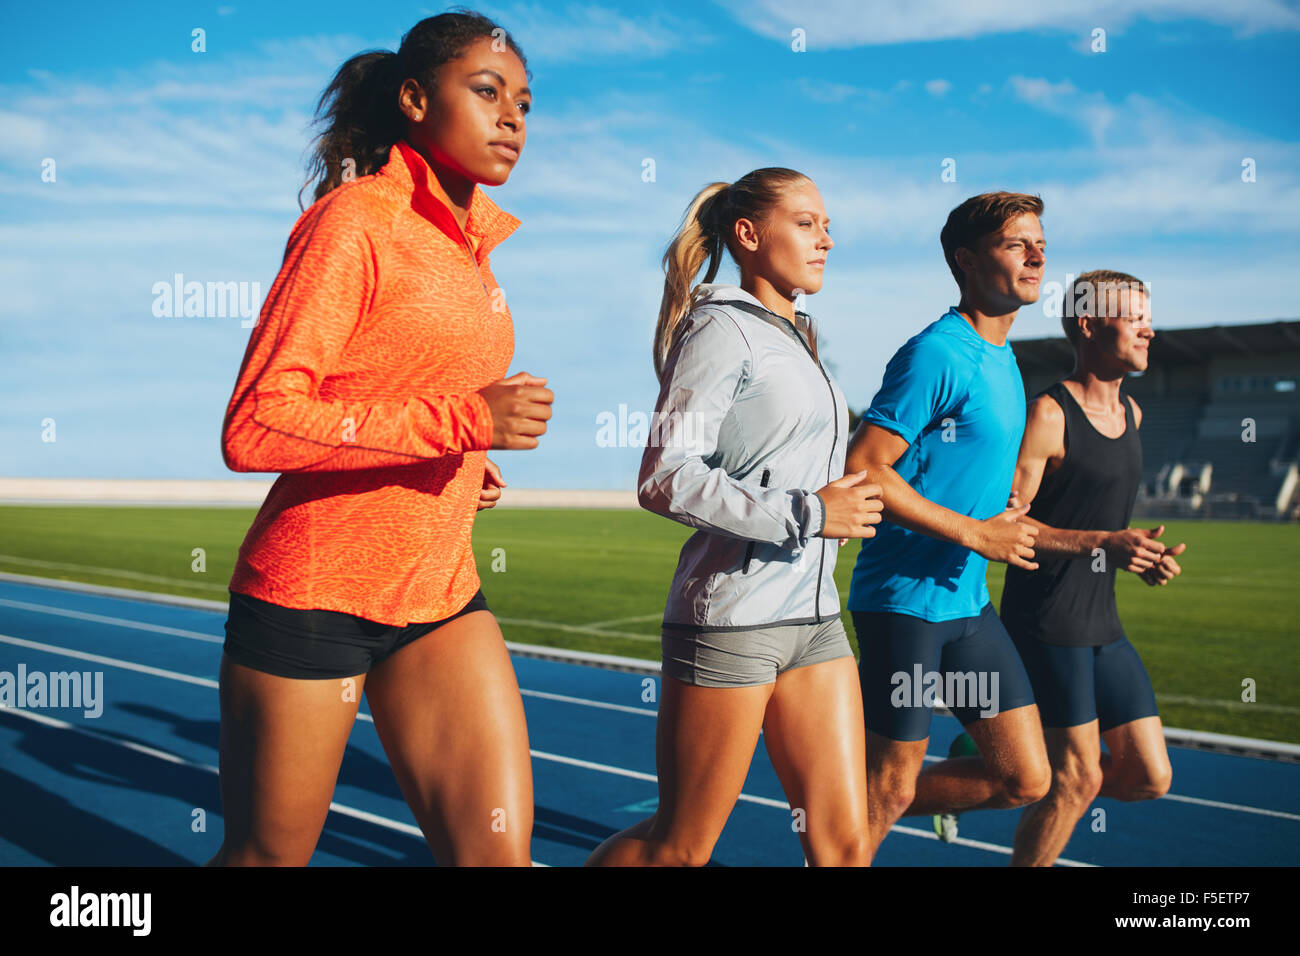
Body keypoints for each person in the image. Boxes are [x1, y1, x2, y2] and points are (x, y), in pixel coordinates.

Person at [209, 11, 553, 866]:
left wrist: (461, 464)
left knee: (496, 856)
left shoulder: (476, 251)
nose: (511, 117)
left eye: (524, 102)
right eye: (486, 92)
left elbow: (393, 402)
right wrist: (466, 422)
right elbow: (256, 423)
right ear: (412, 99)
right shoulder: (354, 224)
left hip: (439, 594)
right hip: (314, 596)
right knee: (267, 859)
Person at [585, 169, 882, 866]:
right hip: (733, 622)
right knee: (680, 848)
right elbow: (665, 477)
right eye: (807, 223)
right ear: (748, 236)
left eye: (828, 225)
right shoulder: (720, 328)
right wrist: (810, 511)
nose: (826, 240)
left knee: (843, 844)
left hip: (815, 620)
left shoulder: (797, 339)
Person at [846, 191, 1052, 860]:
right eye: (1016, 242)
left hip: (968, 604)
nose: (1037, 252)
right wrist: (975, 534)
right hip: (904, 602)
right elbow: (867, 467)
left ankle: (842, 803)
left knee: (1026, 777)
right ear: (966, 260)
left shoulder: (1007, 360)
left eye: (1040, 241)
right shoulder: (937, 352)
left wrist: (1006, 519)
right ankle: (852, 813)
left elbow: (966, 478)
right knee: (888, 785)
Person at [1003, 270, 1182, 867]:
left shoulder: (1132, 413)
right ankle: (1004, 773)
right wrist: (1106, 541)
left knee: (1149, 776)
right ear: (1088, 324)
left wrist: (1139, 558)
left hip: (1103, 623)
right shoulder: (1050, 415)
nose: (1148, 329)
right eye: (1134, 318)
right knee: (1076, 780)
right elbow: (1010, 527)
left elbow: (1107, 533)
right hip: (1046, 621)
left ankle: (992, 771)